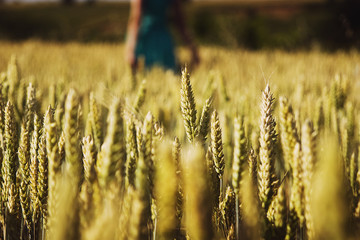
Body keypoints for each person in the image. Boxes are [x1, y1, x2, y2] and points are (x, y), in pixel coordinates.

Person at [125, 0, 199, 72]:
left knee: (144, 74)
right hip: (163, 41)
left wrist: (130, 49)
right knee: (169, 73)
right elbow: (180, 22)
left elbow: (136, 20)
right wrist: (192, 47)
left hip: (146, 40)